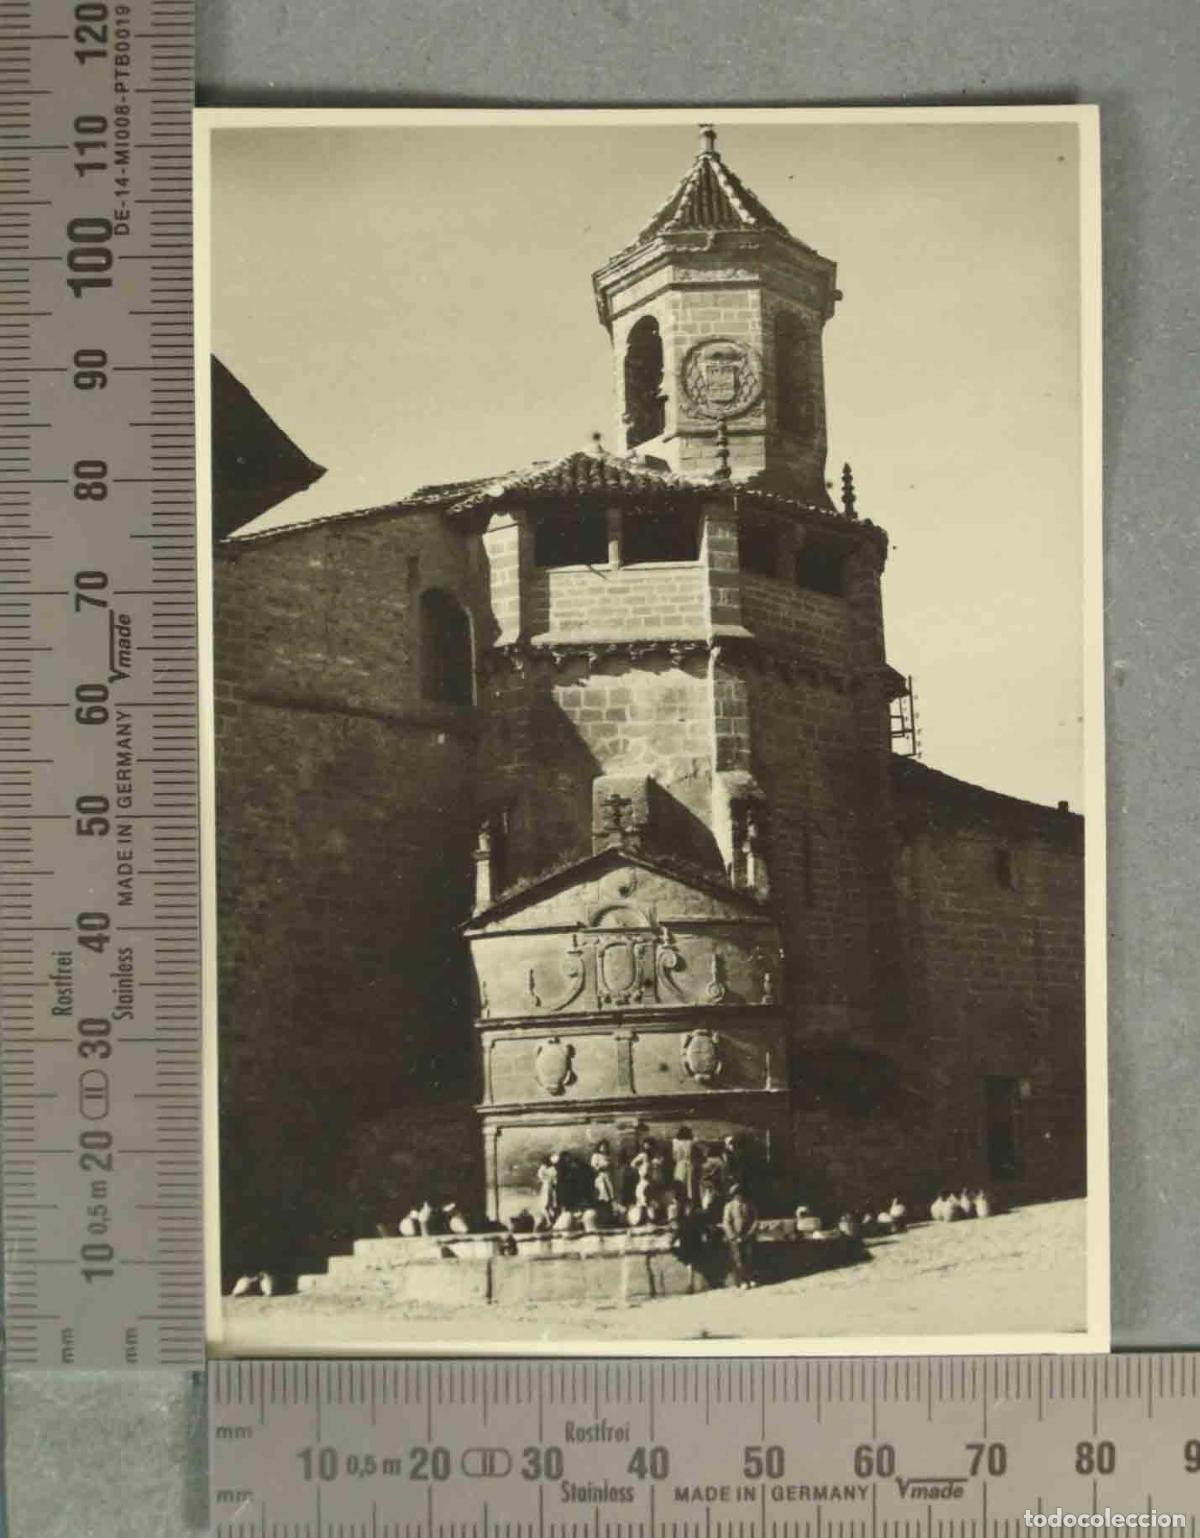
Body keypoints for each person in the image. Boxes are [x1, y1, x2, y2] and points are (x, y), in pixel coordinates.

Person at [722, 1182, 759, 1289]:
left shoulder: (749, 1205)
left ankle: (750, 1278)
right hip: (736, 1237)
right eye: (737, 1194)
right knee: (738, 1259)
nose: (739, 1196)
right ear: (733, 1196)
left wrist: (750, 1232)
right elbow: (726, 1222)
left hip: (747, 1235)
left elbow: (755, 1219)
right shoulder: (729, 1206)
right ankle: (741, 1281)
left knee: (749, 1257)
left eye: (741, 1194)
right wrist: (733, 1236)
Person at [672, 1125, 702, 1207]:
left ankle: (680, 1202)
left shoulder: (675, 1142)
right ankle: (690, 1203)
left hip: (680, 1165)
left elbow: (675, 1157)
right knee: (690, 1185)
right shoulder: (691, 1142)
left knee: (680, 1184)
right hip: (689, 1165)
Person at [535, 1154, 559, 1229]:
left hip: (546, 1187)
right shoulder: (553, 1169)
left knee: (545, 1206)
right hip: (552, 1188)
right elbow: (555, 1180)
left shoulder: (543, 1169)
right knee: (551, 1206)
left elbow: (540, 1176)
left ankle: (549, 1221)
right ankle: (552, 1221)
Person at [590, 1140, 616, 1205]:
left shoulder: (609, 1157)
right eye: (602, 1147)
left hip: (608, 1177)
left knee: (611, 1194)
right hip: (600, 1177)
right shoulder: (596, 1156)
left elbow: (613, 1167)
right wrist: (601, 1167)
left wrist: (611, 1166)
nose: (604, 1148)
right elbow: (593, 1168)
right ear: (599, 1147)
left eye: (605, 1147)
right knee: (603, 1193)